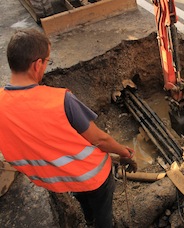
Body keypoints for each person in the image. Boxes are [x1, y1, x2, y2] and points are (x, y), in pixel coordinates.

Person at [0, 29, 137, 228]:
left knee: (82, 197)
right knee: (103, 212)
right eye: (47, 61)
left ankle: (89, 221)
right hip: (92, 176)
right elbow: (99, 139)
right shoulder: (60, 100)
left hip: (56, 179)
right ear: (37, 64)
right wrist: (124, 152)